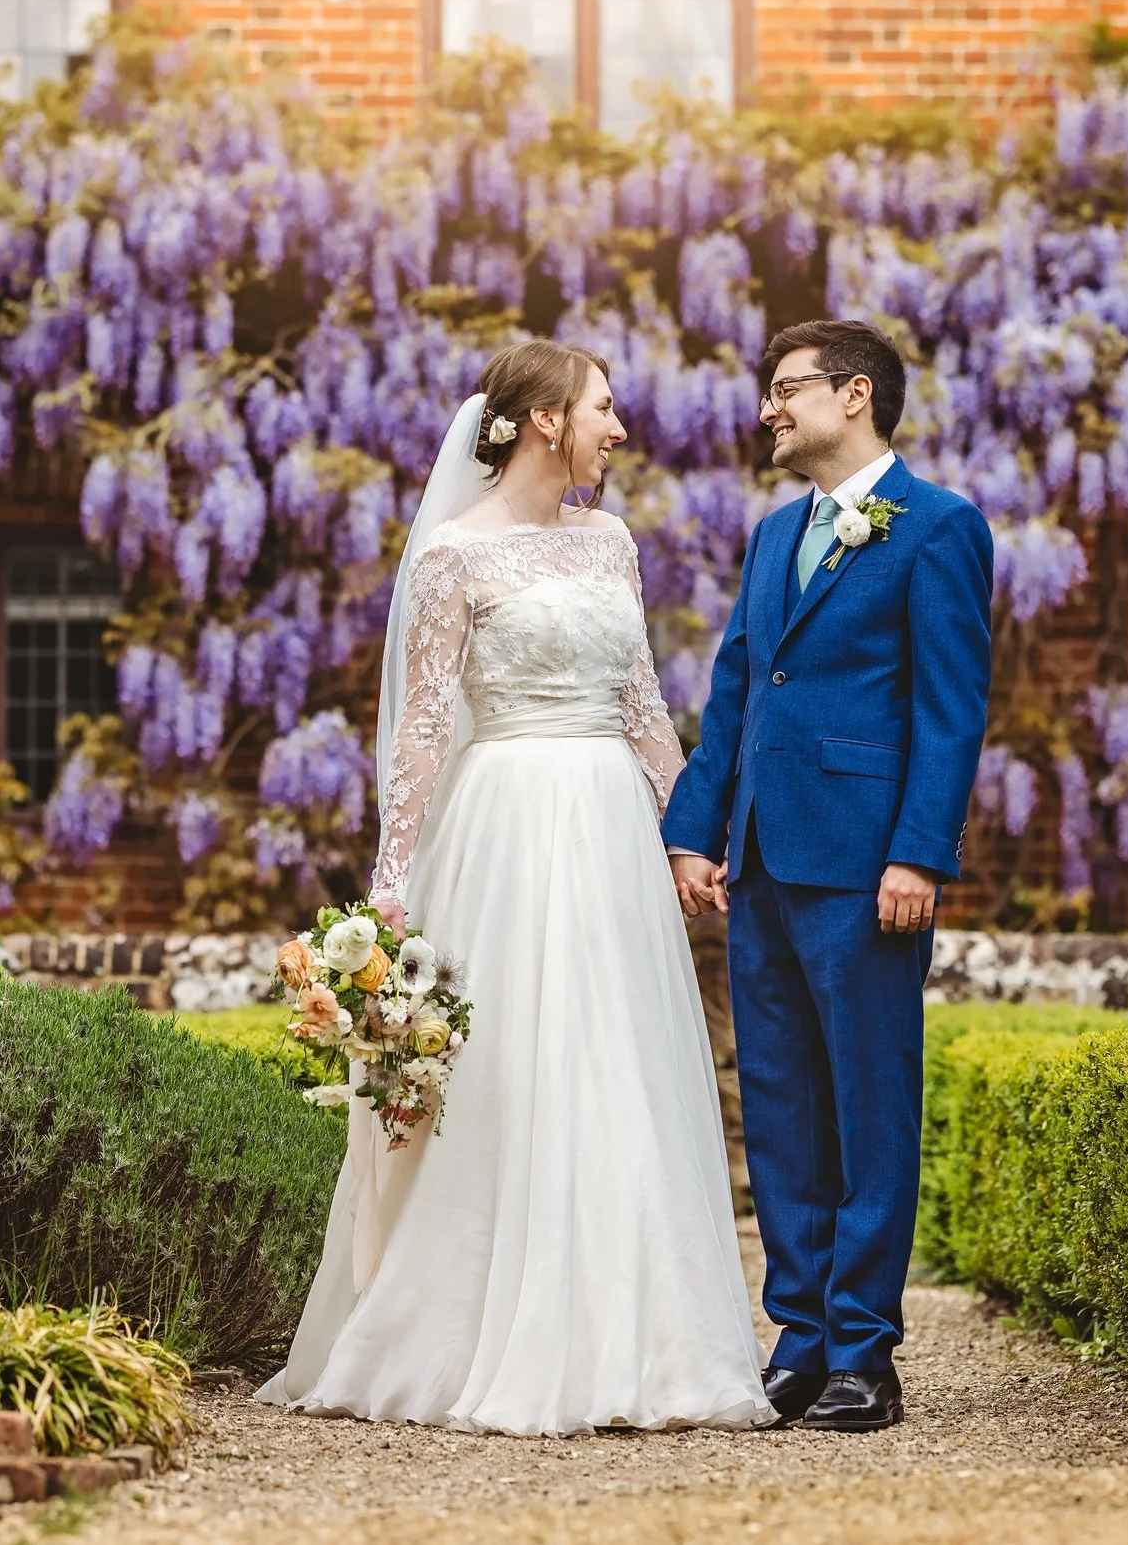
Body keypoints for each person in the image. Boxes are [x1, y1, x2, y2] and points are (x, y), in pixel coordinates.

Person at [255, 339, 772, 1437]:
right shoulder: (453, 555)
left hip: (607, 824)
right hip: (505, 818)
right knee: (512, 1063)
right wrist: (391, 887)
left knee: (614, 1056)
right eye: (601, 407)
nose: (618, 426)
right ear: (543, 419)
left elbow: (642, 704)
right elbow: (425, 731)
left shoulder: (610, 542)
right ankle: (475, 1329)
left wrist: (688, 833)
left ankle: (639, 1334)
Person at [662, 319, 994, 1433]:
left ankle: (865, 1349)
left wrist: (918, 850)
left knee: (870, 1103)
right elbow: (738, 695)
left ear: (854, 394)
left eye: (785, 388)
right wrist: (691, 832)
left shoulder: (939, 527)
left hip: (864, 864)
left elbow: (950, 710)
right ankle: (797, 1342)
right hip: (759, 857)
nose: (767, 408)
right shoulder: (770, 536)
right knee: (785, 1108)